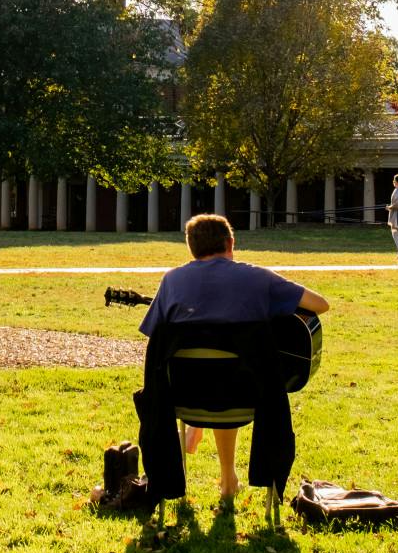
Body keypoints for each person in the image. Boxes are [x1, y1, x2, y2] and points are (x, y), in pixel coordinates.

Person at [138, 213, 330, 501]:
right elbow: (320, 304)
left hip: (184, 397)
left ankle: (202, 448)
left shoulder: (172, 281)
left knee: (212, 370)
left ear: (190, 246)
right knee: (233, 368)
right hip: (251, 397)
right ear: (231, 243)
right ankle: (246, 482)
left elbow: (156, 340)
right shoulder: (257, 277)